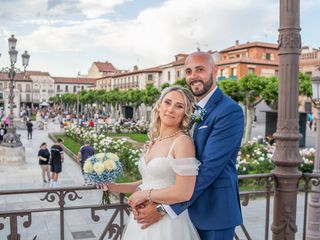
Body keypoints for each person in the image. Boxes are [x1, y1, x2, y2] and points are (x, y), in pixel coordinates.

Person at [131, 52, 244, 240]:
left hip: (213, 212)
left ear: (214, 71)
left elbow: (209, 169)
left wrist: (163, 208)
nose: (193, 76)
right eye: (189, 71)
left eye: (200, 70)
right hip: (184, 215)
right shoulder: (191, 110)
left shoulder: (229, 111)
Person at [103, 86, 200, 239]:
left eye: (179, 106)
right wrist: (113, 186)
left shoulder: (182, 142)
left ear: (185, 114)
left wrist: (145, 195)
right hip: (142, 221)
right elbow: (149, 181)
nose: (171, 109)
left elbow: (184, 192)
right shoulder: (154, 140)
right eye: (167, 102)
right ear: (159, 106)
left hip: (167, 223)